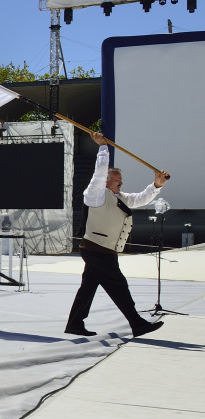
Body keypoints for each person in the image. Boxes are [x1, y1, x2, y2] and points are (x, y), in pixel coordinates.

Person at [65, 132, 170, 338]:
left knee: (88, 288)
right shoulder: (95, 195)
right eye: (116, 180)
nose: (120, 182)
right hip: (97, 249)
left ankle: (74, 323)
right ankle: (136, 324)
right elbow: (98, 175)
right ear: (106, 182)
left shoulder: (120, 197)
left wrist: (157, 185)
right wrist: (103, 148)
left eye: (121, 180)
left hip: (103, 251)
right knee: (119, 286)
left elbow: (141, 198)